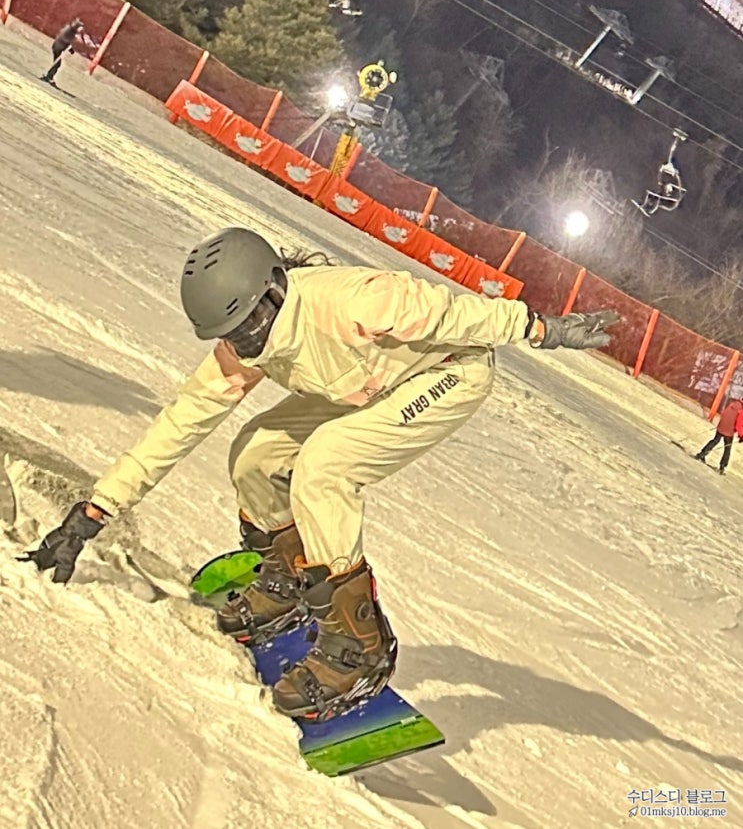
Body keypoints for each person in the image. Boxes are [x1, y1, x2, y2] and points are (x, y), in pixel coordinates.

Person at [20, 227, 620, 721]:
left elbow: (454, 313)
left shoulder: (354, 301)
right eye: (232, 335)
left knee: (325, 465)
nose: (247, 344)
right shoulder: (245, 346)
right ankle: (287, 578)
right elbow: (178, 424)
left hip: (446, 373)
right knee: (254, 454)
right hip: (361, 386)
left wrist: (540, 328)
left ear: (274, 290)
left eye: (251, 326)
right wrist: (92, 513)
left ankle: (360, 643)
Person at [695, 397, 743, 475]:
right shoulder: (741, 410)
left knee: (715, 440)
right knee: (727, 448)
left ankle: (702, 454)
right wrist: (741, 436)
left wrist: (722, 424)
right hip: (729, 430)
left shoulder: (733, 404)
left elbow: (724, 413)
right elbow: (738, 425)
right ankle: (722, 466)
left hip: (721, 426)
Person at [40, 18, 84, 87]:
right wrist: (70, 48)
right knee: (57, 64)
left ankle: (49, 76)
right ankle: (49, 77)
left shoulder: (71, 31)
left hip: (58, 47)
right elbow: (64, 39)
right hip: (58, 47)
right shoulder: (69, 31)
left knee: (57, 63)